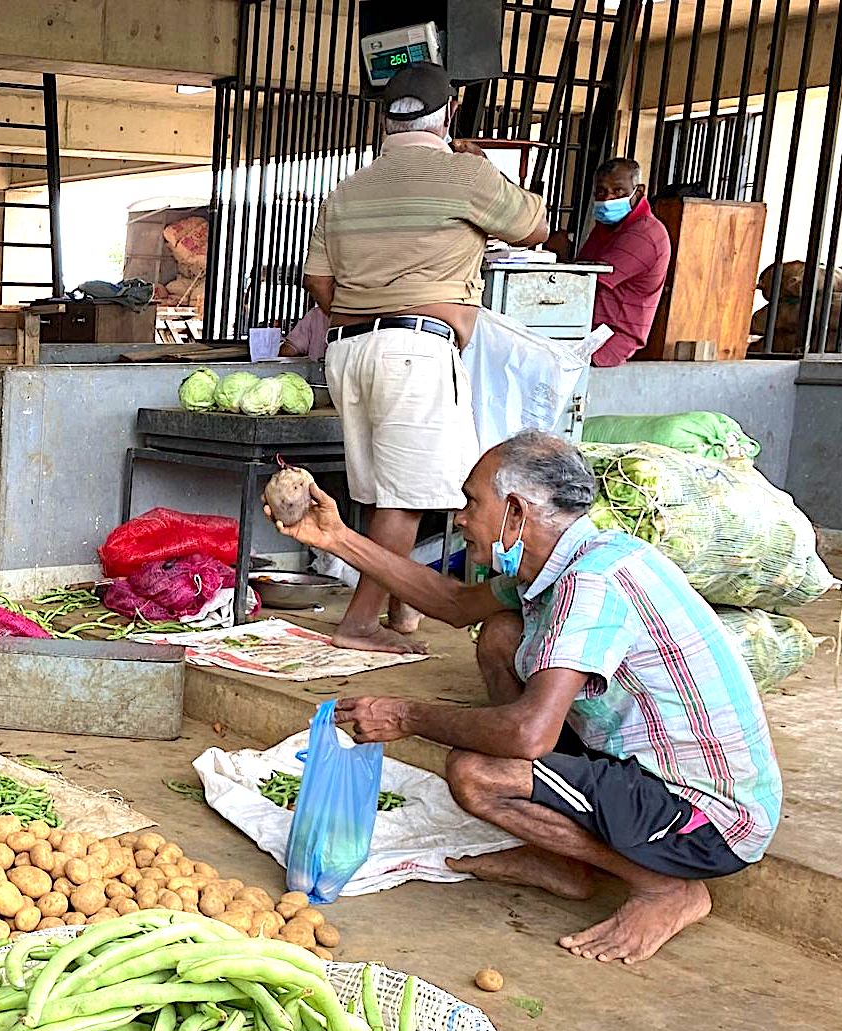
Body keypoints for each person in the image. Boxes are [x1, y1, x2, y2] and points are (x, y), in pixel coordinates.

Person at [269, 431, 781, 964]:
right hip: (638, 768)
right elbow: (451, 601)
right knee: (501, 633)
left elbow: (528, 734)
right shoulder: (561, 561)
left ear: (515, 512)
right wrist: (334, 538)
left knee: (477, 774)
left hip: (706, 818)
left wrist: (406, 714)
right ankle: (564, 859)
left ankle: (665, 887)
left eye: (472, 502)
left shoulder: (593, 581)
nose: (461, 518)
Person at [301, 62, 548, 655]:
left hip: (350, 350)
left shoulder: (346, 191)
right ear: (451, 113)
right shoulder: (464, 175)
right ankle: (360, 622)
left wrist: (375, 304)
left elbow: (320, 284)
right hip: (413, 349)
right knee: (405, 498)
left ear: (382, 119)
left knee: (382, 490)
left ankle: (403, 613)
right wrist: (482, 168)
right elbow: (535, 227)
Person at [566, 158, 672, 367]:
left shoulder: (643, 234)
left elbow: (585, 283)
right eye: (601, 192)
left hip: (608, 339)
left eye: (618, 191)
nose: (608, 199)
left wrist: (558, 253)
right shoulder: (608, 227)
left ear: (639, 192)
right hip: (588, 328)